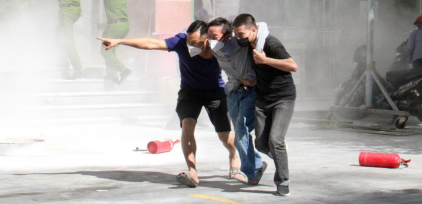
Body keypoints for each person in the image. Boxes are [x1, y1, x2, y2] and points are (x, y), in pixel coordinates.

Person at [98, 21, 240, 188]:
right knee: (187, 125)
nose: (190, 46)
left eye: (194, 43)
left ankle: (233, 154)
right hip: (189, 91)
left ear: (207, 39)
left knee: (224, 136)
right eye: (188, 41)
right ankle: (192, 172)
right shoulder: (180, 42)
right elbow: (151, 43)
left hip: (215, 92)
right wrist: (120, 41)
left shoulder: (220, 48)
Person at [232, 14, 297, 197]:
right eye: (236, 34)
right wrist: (250, 83)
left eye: (241, 34)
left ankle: (283, 181)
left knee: (276, 140)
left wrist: (265, 60)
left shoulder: (270, 43)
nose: (239, 38)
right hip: (262, 99)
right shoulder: (248, 46)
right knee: (261, 144)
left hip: (283, 99)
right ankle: (278, 158)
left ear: (253, 30)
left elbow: (293, 65)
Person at [207, 17, 267, 185]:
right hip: (233, 93)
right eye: (209, 36)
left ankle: (249, 172)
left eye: (214, 36)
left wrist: (256, 79)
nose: (210, 40)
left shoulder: (241, 43)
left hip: (250, 92)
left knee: (241, 130)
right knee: (240, 133)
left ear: (227, 36)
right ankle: (257, 164)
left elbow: (261, 25)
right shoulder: (214, 49)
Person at [92, 0, 132, 84]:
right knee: (111, 51)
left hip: (115, 27)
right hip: (124, 26)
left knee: (105, 51)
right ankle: (112, 76)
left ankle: (124, 70)